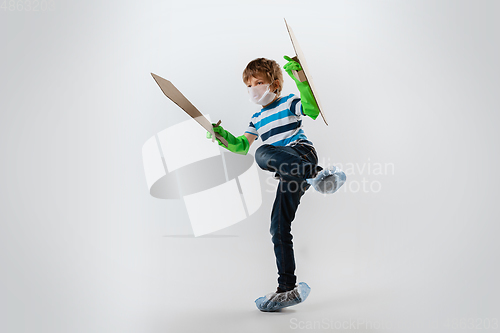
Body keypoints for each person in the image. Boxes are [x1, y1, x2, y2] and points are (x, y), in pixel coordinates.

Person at [206, 56, 339, 311]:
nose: (253, 88)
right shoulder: (256, 118)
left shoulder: (288, 103)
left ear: (275, 84)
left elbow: (311, 110)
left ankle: (313, 172)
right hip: (293, 174)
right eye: (249, 84)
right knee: (278, 227)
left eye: (258, 82)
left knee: (263, 152)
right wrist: (221, 135)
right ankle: (287, 288)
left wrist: (300, 78)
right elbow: (242, 145)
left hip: (300, 153)